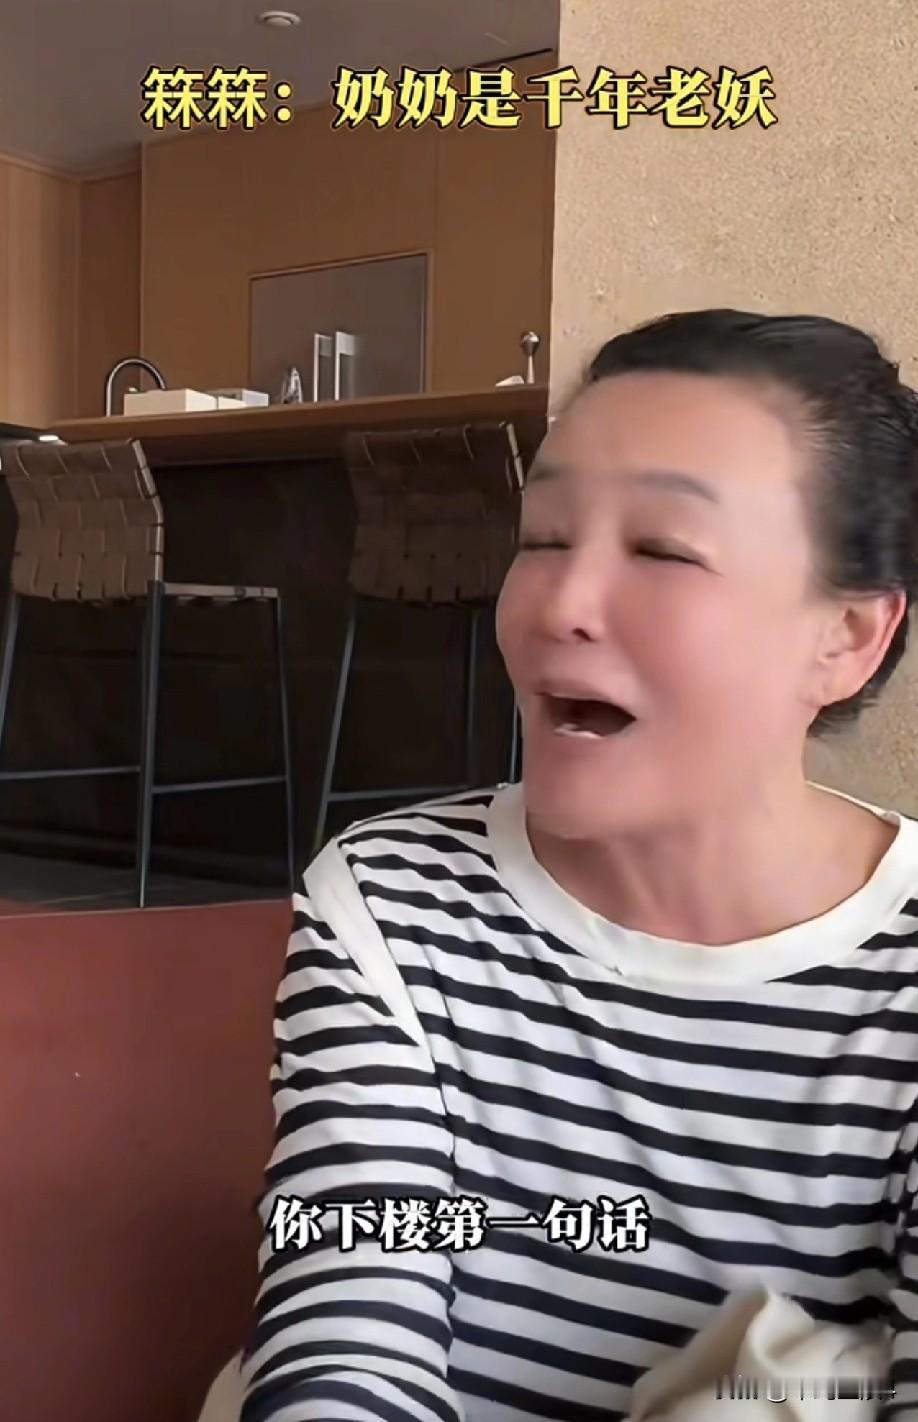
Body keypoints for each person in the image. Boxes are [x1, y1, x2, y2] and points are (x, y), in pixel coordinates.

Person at [239, 309, 918, 1422]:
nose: (557, 604)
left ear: (844, 638)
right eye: (544, 537)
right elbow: (348, 1319)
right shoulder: (393, 905)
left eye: (663, 550)